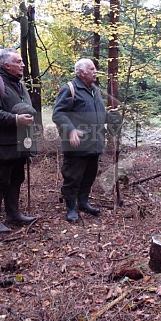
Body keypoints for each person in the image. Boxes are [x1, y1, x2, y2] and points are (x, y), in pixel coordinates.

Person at [0, 48, 37, 233]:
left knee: (16, 178)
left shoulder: (19, 85)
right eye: (19, 62)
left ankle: (13, 214)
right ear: (7, 65)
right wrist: (15, 119)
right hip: (1, 144)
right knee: (0, 180)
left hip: (20, 142)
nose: (22, 65)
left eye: (22, 61)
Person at [52, 59, 106, 222]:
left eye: (94, 68)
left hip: (94, 143)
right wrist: (70, 129)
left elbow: (99, 115)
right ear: (82, 73)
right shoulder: (70, 89)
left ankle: (83, 203)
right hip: (77, 145)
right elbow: (58, 114)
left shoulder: (95, 90)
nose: (95, 71)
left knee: (89, 176)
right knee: (73, 178)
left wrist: (111, 117)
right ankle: (70, 208)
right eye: (91, 68)